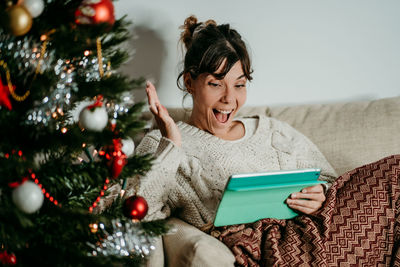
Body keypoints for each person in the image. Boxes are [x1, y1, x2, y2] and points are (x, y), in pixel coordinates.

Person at [101, 15, 400, 266]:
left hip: (319, 228)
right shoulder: (165, 144)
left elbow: (330, 180)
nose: (230, 99)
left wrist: (319, 192)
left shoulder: (272, 130)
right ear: (190, 82)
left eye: (240, 85)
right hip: (269, 249)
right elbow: (134, 212)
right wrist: (172, 145)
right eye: (216, 84)